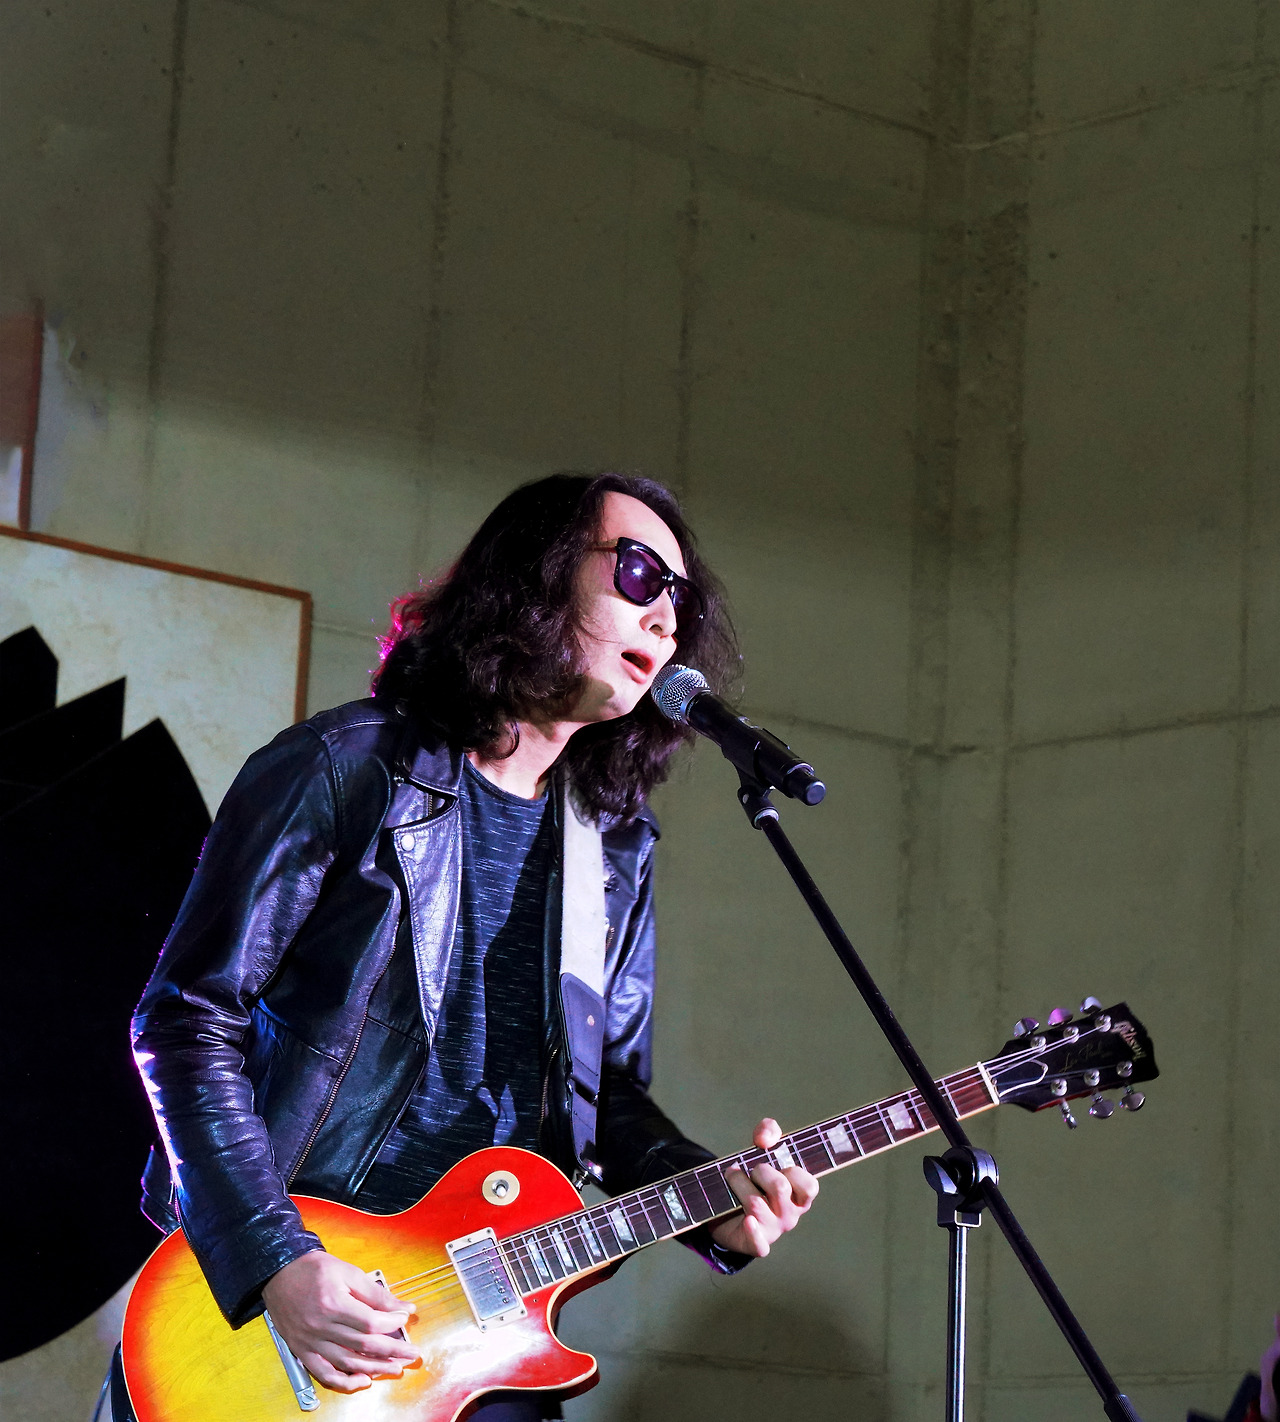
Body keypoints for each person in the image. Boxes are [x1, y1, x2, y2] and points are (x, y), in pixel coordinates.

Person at [118, 472, 818, 1420]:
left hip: (481, 1340)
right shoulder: (346, 769)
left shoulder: (612, 848)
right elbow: (186, 1021)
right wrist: (276, 1260)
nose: (665, 620)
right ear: (535, 574)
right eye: (639, 575)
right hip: (296, 1310)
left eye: (682, 604)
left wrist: (714, 1196)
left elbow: (603, 1094)